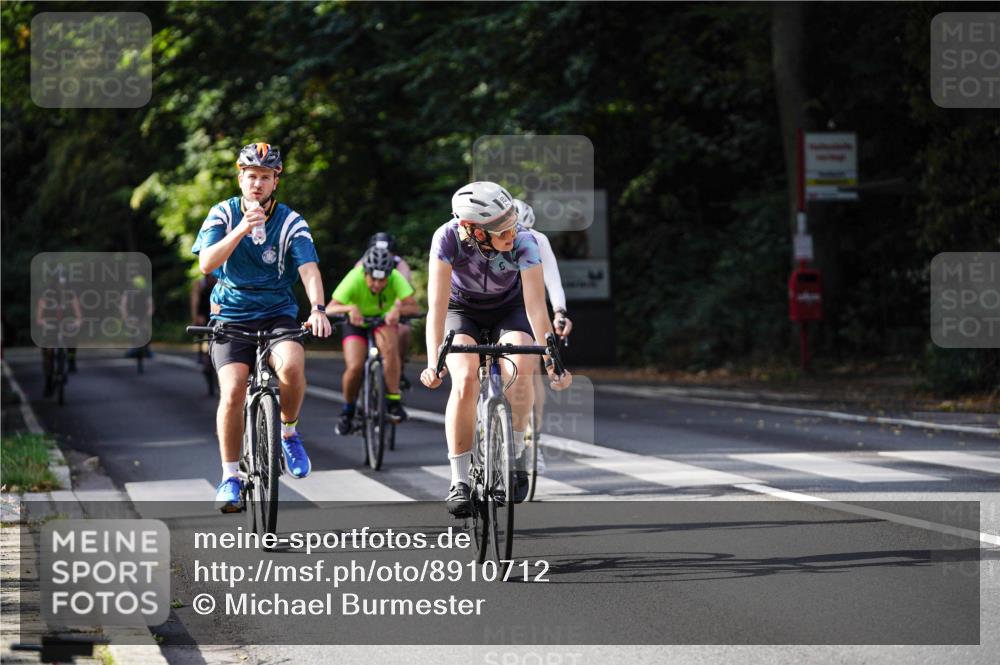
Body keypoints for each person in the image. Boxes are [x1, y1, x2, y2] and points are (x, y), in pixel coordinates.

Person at [191, 141, 332, 513]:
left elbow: (308, 269)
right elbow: (206, 263)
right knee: (234, 389)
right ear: (240, 178)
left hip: (277, 312)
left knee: (292, 365)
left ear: (275, 182)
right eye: (251, 176)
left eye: (265, 177)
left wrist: (317, 307)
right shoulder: (221, 214)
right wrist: (240, 229)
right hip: (231, 315)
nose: (257, 184)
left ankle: (288, 432)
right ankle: (230, 477)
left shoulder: (290, 220)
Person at [420, 181, 572, 517]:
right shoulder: (446, 239)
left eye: (513, 222)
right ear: (472, 230)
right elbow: (438, 307)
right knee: (465, 380)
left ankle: (515, 452)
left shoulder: (524, 240)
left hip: (510, 309)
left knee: (521, 362)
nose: (511, 234)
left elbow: (535, 308)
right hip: (462, 311)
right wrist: (434, 362)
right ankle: (459, 480)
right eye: (501, 230)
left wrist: (552, 361)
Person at [329, 245, 420, 433]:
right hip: (356, 323)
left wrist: (398, 309)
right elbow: (329, 308)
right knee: (354, 366)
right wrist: (349, 308)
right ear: (365, 272)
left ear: (389, 275)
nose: (378, 284)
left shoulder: (395, 277)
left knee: (390, 350)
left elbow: (413, 308)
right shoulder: (354, 277)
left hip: (382, 320)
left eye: (382, 280)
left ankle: (393, 401)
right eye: (373, 279)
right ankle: (348, 410)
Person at [513, 199, 574, 474]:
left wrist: (559, 312)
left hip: (527, 307)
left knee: (533, 366)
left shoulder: (537, 240)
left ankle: (532, 437)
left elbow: (553, 281)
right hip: (495, 305)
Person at [358, 232, 415, 388]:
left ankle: (399, 367)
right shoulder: (363, 263)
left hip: (393, 310)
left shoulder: (400, 264)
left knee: (403, 331)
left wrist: (397, 308)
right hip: (367, 312)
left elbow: (404, 289)